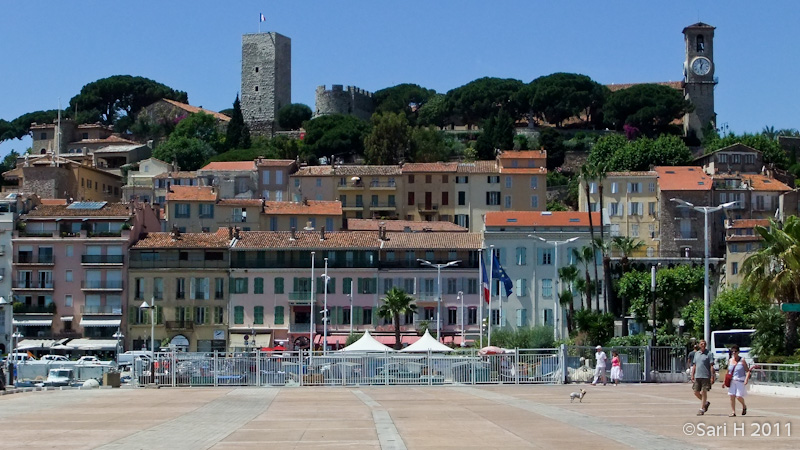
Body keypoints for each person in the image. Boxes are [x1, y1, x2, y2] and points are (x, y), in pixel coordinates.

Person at [691, 339, 715, 415]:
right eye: (701, 344)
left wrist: (712, 376)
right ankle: (705, 402)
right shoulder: (696, 354)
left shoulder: (709, 354)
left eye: (704, 344)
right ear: (699, 345)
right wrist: (692, 375)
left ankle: (702, 409)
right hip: (697, 376)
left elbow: (711, 366)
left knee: (704, 392)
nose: (703, 345)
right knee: (696, 392)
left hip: (706, 376)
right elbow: (694, 365)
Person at [727, 344, 750, 417]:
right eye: (732, 351)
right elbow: (728, 371)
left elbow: (748, 371)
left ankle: (744, 406)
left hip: (740, 380)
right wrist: (725, 381)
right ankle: (733, 412)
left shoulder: (742, 360)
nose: (734, 353)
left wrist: (746, 379)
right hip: (732, 381)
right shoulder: (730, 360)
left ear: (738, 352)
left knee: (738, 396)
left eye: (735, 351)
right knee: (731, 396)